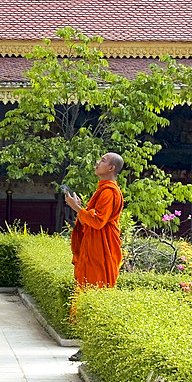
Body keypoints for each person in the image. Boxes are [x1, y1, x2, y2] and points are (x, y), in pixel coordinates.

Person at [63, 152, 125, 361]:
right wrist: (82, 208)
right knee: (87, 291)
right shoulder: (103, 190)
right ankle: (88, 346)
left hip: (102, 250)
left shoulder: (109, 192)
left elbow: (98, 222)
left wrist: (77, 208)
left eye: (103, 161)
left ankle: (91, 348)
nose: (98, 162)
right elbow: (93, 218)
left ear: (111, 169)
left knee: (94, 293)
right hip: (95, 247)